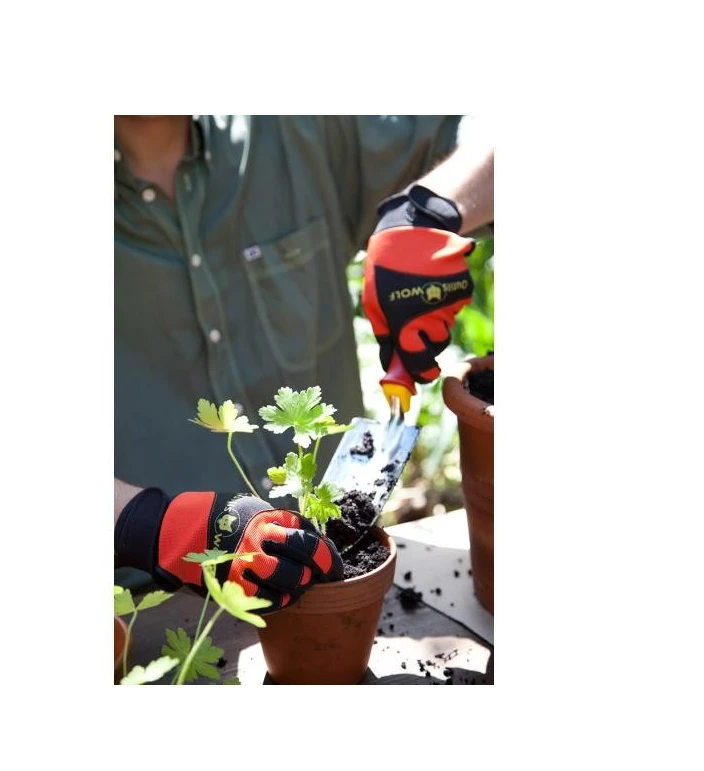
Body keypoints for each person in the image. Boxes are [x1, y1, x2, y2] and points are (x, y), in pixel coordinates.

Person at [114, 115, 494, 605]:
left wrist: (428, 211)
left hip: (336, 583)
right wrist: (150, 525)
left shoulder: (297, 129)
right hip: (147, 608)